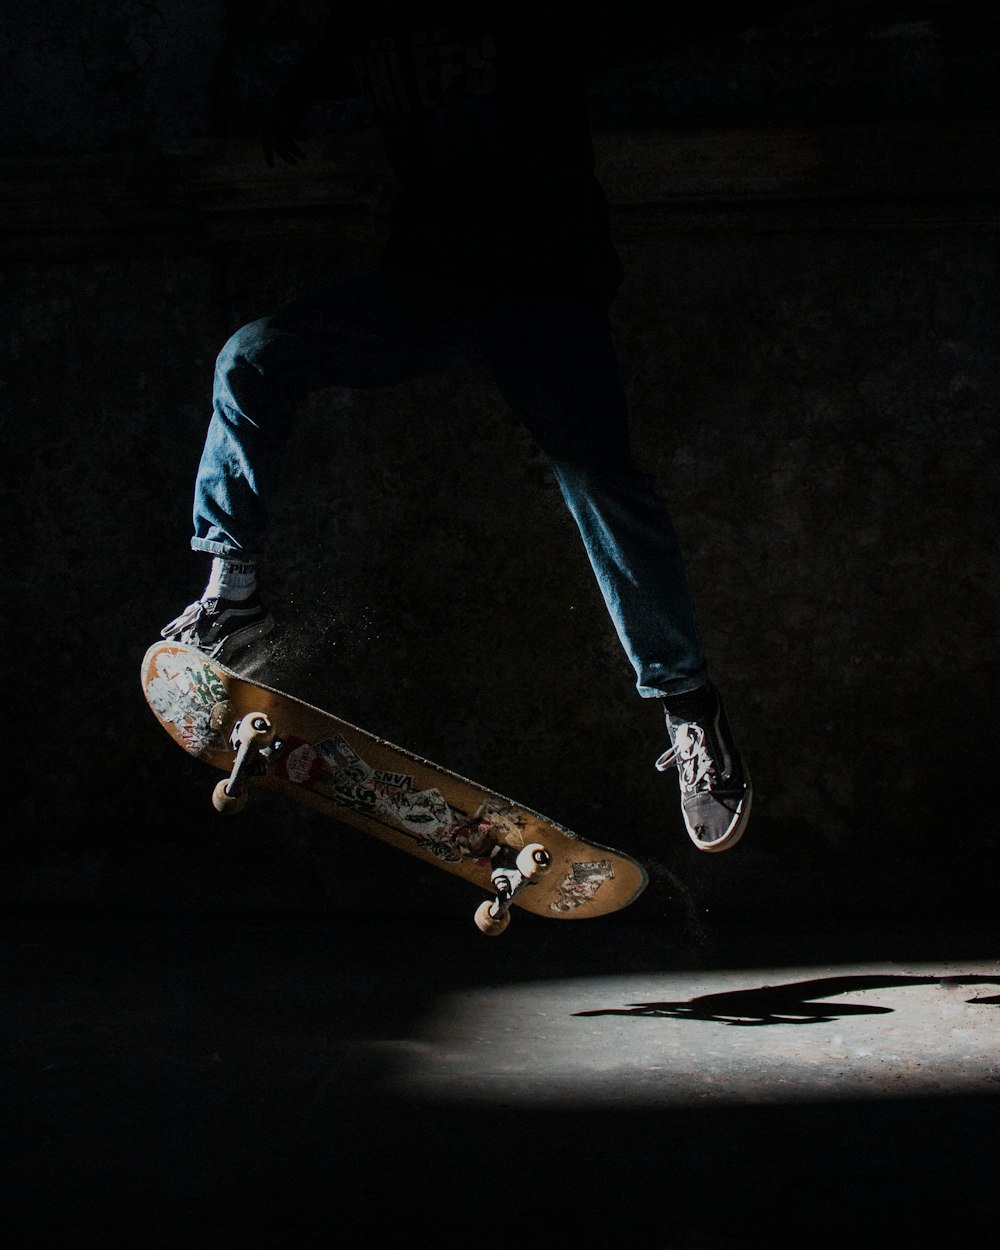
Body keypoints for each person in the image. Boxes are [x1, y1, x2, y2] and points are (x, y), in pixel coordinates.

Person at [161, 2, 796, 853]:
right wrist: (293, 96)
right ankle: (232, 593)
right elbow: (329, 62)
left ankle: (690, 710)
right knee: (252, 356)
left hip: (544, 296)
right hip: (424, 293)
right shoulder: (370, 33)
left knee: (604, 483)